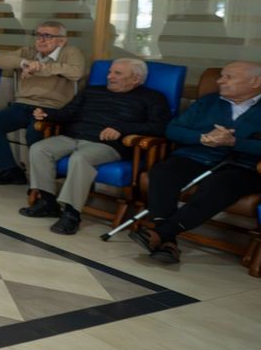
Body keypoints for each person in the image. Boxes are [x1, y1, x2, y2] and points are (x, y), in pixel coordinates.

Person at [132, 61, 261, 263]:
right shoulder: (208, 102)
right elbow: (173, 130)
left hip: (243, 167)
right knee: (164, 172)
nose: (220, 81)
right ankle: (166, 239)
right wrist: (202, 138)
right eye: (221, 76)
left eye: (228, 77)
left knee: (218, 185)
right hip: (197, 156)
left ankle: (161, 233)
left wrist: (236, 142)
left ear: (256, 82)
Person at [18, 58, 170, 235]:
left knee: (80, 158)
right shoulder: (92, 91)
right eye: (110, 72)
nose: (109, 76)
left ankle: (72, 214)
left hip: (108, 144)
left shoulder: (153, 98)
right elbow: (68, 113)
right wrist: (47, 114)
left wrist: (123, 129)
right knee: (39, 149)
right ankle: (47, 202)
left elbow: (160, 127)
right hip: (73, 136)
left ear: (136, 79)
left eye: (117, 73)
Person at [0, 20, 87, 184]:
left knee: (34, 132)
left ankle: (41, 180)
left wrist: (42, 68)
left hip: (51, 108)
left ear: (61, 40)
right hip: (22, 105)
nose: (41, 40)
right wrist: (24, 63)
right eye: (38, 35)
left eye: (48, 36)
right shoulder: (28, 52)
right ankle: (10, 170)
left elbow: (76, 72)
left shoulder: (70, 52)